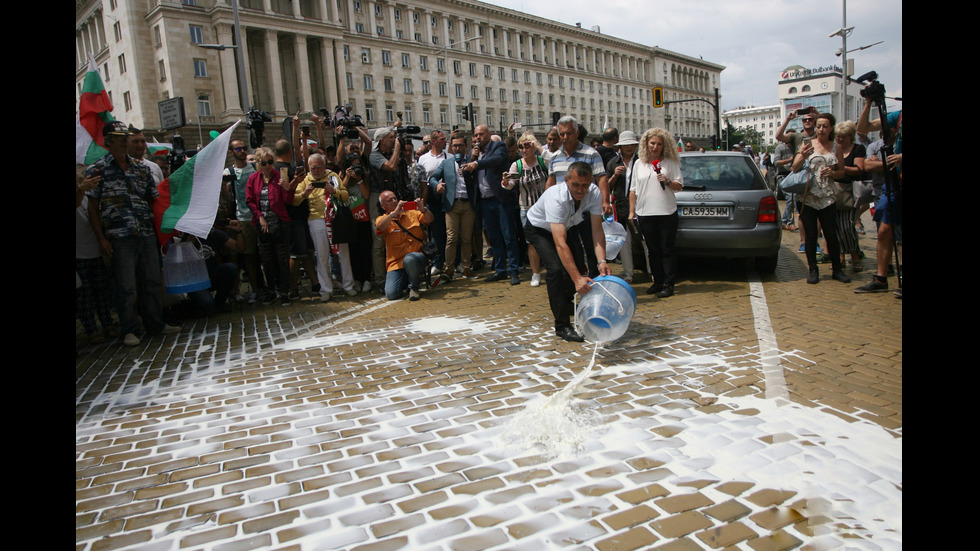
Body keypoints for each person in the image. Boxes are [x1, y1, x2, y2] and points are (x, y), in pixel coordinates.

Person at [85, 121, 180, 346]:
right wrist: (101, 238)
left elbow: (151, 198)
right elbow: (92, 206)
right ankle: (129, 329)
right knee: (126, 286)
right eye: (119, 137)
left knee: (151, 281)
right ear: (108, 141)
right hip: (119, 236)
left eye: (125, 136)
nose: (123, 140)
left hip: (144, 231)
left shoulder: (141, 168)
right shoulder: (97, 169)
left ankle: (155, 323)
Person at [524, 161, 611, 342]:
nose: (581, 190)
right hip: (539, 229)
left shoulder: (594, 193)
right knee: (556, 270)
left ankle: (566, 302)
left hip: (565, 225)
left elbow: (597, 231)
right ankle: (562, 325)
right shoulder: (556, 197)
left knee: (578, 266)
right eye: (576, 185)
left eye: (585, 185)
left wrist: (602, 261)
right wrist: (577, 279)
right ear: (566, 180)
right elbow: (560, 244)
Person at [545, 116, 611, 279]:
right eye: (562, 134)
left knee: (591, 244)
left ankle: (597, 277)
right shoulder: (554, 157)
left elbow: (601, 178)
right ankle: (577, 278)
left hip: (587, 209)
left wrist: (605, 201)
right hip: (565, 211)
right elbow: (551, 182)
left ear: (577, 132)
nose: (565, 138)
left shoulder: (591, 153)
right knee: (570, 246)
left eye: (569, 133)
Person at [790, 113, 850, 285]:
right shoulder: (807, 144)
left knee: (831, 234)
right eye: (818, 126)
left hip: (827, 196)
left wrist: (833, 173)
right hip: (808, 196)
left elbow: (842, 171)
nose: (821, 129)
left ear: (831, 128)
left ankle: (837, 270)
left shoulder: (836, 147)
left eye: (825, 126)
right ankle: (813, 269)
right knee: (810, 235)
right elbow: (794, 168)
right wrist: (801, 154)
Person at [629, 127, 684, 298]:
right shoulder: (639, 163)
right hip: (645, 212)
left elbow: (679, 186)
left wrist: (667, 181)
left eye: (659, 144)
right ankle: (657, 281)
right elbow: (633, 189)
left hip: (666, 211)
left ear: (664, 145)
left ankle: (669, 284)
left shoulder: (670, 163)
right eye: (652, 143)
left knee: (667, 249)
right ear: (646, 143)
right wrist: (632, 211)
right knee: (652, 250)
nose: (655, 147)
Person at [463, 124, 521, 285]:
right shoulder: (474, 154)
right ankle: (500, 270)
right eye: (475, 135)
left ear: (489, 134)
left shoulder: (498, 146)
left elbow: (497, 160)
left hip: (501, 199)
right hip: (485, 201)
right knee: (494, 237)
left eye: (481, 134)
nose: (478, 138)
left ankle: (514, 270)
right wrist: (472, 160)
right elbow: (468, 171)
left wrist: (477, 163)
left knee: (508, 236)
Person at [854, 104, 902, 294]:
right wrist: (868, 103)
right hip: (893, 184)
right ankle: (881, 279)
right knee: (884, 230)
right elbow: (862, 129)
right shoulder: (897, 116)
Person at [293, 153, 353, 301]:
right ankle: (325, 289)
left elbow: (345, 195)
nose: (317, 170)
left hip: (335, 218)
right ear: (309, 167)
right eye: (313, 167)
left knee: (343, 253)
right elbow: (294, 201)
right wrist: (304, 193)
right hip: (316, 220)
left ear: (324, 165)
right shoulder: (305, 179)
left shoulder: (333, 176)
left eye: (320, 167)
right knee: (321, 255)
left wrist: (334, 191)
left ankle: (348, 285)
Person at [246, 147, 295, 305]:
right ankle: (271, 290)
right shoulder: (254, 178)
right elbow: (249, 200)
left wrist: (287, 188)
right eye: (264, 162)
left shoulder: (279, 176)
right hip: (263, 225)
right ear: (259, 163)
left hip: (280, 224)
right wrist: (259, 216)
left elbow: (288, 201)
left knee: (282, 260)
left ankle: (284, 291)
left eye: (270, 162)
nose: (267, 165)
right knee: (267, 261)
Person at [503, 132, 549, 287]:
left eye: (527, 145)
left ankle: (552, 270)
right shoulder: (517, 165)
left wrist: (537, 144)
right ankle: (536, 273)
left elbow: (554, 161)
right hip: (527, 208)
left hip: (546, 207)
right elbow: (511, 184)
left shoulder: (542, 161)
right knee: (532, 242)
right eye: (521, 147)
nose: (524, 149)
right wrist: (505, 182)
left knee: (551, 239)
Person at [429, 134, 477, 281]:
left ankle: (466, 268)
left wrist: (470, 172)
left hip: (468, 204)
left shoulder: (472, 162)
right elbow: (433, 178)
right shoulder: (447, 163)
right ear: (451, 147)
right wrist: (437, 185)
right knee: (451, 238)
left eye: (460, 145)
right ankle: (448, 269)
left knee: (467, 238)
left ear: (465, 147)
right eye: (455, 145)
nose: (457, 148)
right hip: (452, 205)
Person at [222, 139, 262, 303]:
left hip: (259, 216)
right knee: (248, 256)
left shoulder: (253, 168)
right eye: (238, 149)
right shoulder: (228, 171)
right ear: (231, 152)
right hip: (242, 218)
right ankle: (254, 289)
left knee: (260, 256)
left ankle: (262, 289)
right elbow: (228, 198)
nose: (242, 151)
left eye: (244, 148)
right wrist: (224, 185)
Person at [376, 190, 434, 300]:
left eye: (395, 198)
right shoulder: (382, 219)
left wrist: (423, 209)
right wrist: (394, 214)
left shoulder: (412, 213)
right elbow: (380, 227)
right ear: (383, 206)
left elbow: (430, 219)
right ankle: (408, 280)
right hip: (396, 263)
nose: (394, 201)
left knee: (410, 259)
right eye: (390, 200)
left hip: (417, 257)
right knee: (391, 294)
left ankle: (414, 287)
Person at [605, 130, 640, 282]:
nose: (629, 147)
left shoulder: (641, 161)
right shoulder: (613, 163)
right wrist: (614, 175)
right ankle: (628, 273)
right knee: (624, 241)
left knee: (644, 239)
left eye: (632, 144)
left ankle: (654, 271)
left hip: (640, 204)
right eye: (626, 145)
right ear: (620, 146)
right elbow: (605, 185)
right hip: (619, 205)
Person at [833, 120, 866, 272]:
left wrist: (841, 168)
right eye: (838, 136)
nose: (840, 139)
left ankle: (854, 255)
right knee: (836, 227)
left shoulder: (858, 149)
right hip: (833, 191)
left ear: (850, 136)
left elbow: (859, 169)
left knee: (847, 226)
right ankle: (840, 256)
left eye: (844, 136)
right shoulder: (833, 149)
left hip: (849, 192)